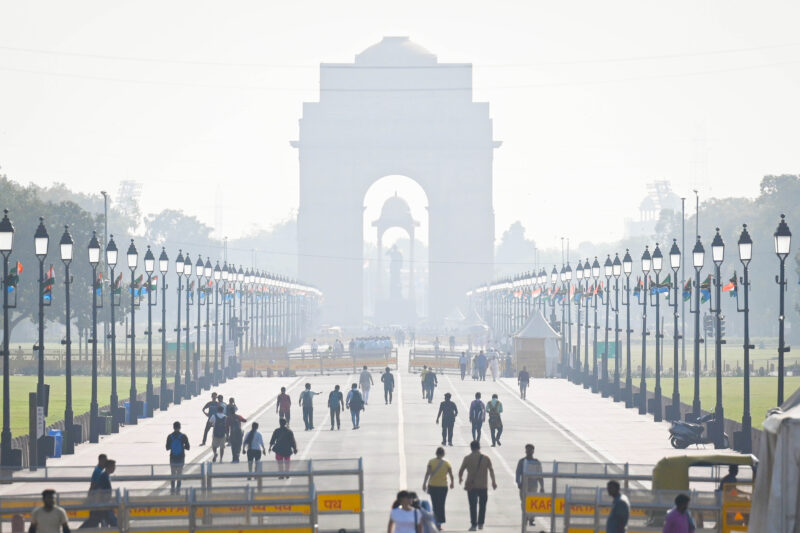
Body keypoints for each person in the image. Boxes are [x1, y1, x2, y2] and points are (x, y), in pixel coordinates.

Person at [458, 440, 497, 531]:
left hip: (471, 486)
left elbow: (461, 470)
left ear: (471, 448)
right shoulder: (486, 458)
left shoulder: (467, 458)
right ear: (479, 447)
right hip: (483, 485)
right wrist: (493, 482)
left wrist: (460, 478)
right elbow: (491, 470)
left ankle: (473, 524)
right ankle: (481, 523)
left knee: (472, 505)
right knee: (483, 505)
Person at [421, 447, 454, 530]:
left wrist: (424, 483)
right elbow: (451, 474)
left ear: (436, 453)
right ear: (443, 454)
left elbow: (427, 473)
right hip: (443, 487)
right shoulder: (447, 463)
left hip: (433, 486)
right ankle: (439, 524)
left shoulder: (431, 462)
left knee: (435, 504)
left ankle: (435, 522)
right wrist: (452, 483)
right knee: (441, 504)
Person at [515, 444, 544, 527]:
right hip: (524, 485)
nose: (529, 452)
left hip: (533, 485)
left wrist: (542, 486)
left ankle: (531, 519)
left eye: (530, 450)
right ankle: (525, 517)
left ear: (533, 451)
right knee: (524, 502)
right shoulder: (522, 461)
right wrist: (518, 482)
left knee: (533, 502)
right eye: (527, 450)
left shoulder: (536, 462)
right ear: (525, 451)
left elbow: (540, 475)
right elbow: (518, 473)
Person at [166, 422, 190, 494]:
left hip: (172, 457)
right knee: (179, 474)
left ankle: (172, 489)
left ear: (173, 427)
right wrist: (183, 446)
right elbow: (188, 447)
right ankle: (178, 490)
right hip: (181, 458)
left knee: (173, 474)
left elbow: (167, 448)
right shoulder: (183, 436)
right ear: (180, 427)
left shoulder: (170, 436)